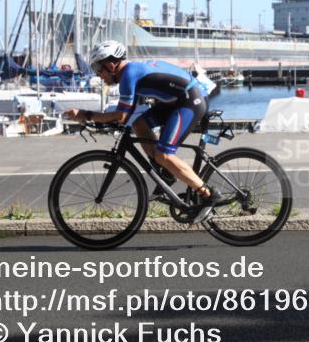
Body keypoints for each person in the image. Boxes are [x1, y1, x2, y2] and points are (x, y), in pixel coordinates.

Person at [64, 41, 222, 223]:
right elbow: (128, 114)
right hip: (178, 100)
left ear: (111, 65)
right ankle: (166, 173)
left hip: (191, 101)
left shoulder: (128, 75)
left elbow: (121, 116)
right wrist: (103, 120)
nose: (98, 74)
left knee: (164, 155)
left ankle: (208, 194)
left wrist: (85, 115)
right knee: (139, 123)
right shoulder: (131, 72)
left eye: (98, 68)